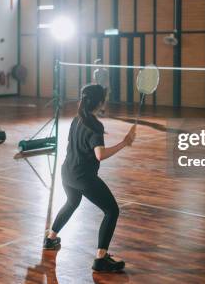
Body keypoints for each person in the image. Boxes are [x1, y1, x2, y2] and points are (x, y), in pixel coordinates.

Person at [43, 84, 136, 272]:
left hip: (67, 173)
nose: (106, 101)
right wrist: (125, 143)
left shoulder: (77, 120)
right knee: (112, 210)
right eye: (104, 99)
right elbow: (99, 155)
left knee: (72, 202)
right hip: (82, 177)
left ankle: (51, 239)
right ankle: (101, 259)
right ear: (100, 102)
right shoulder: (95, 125)